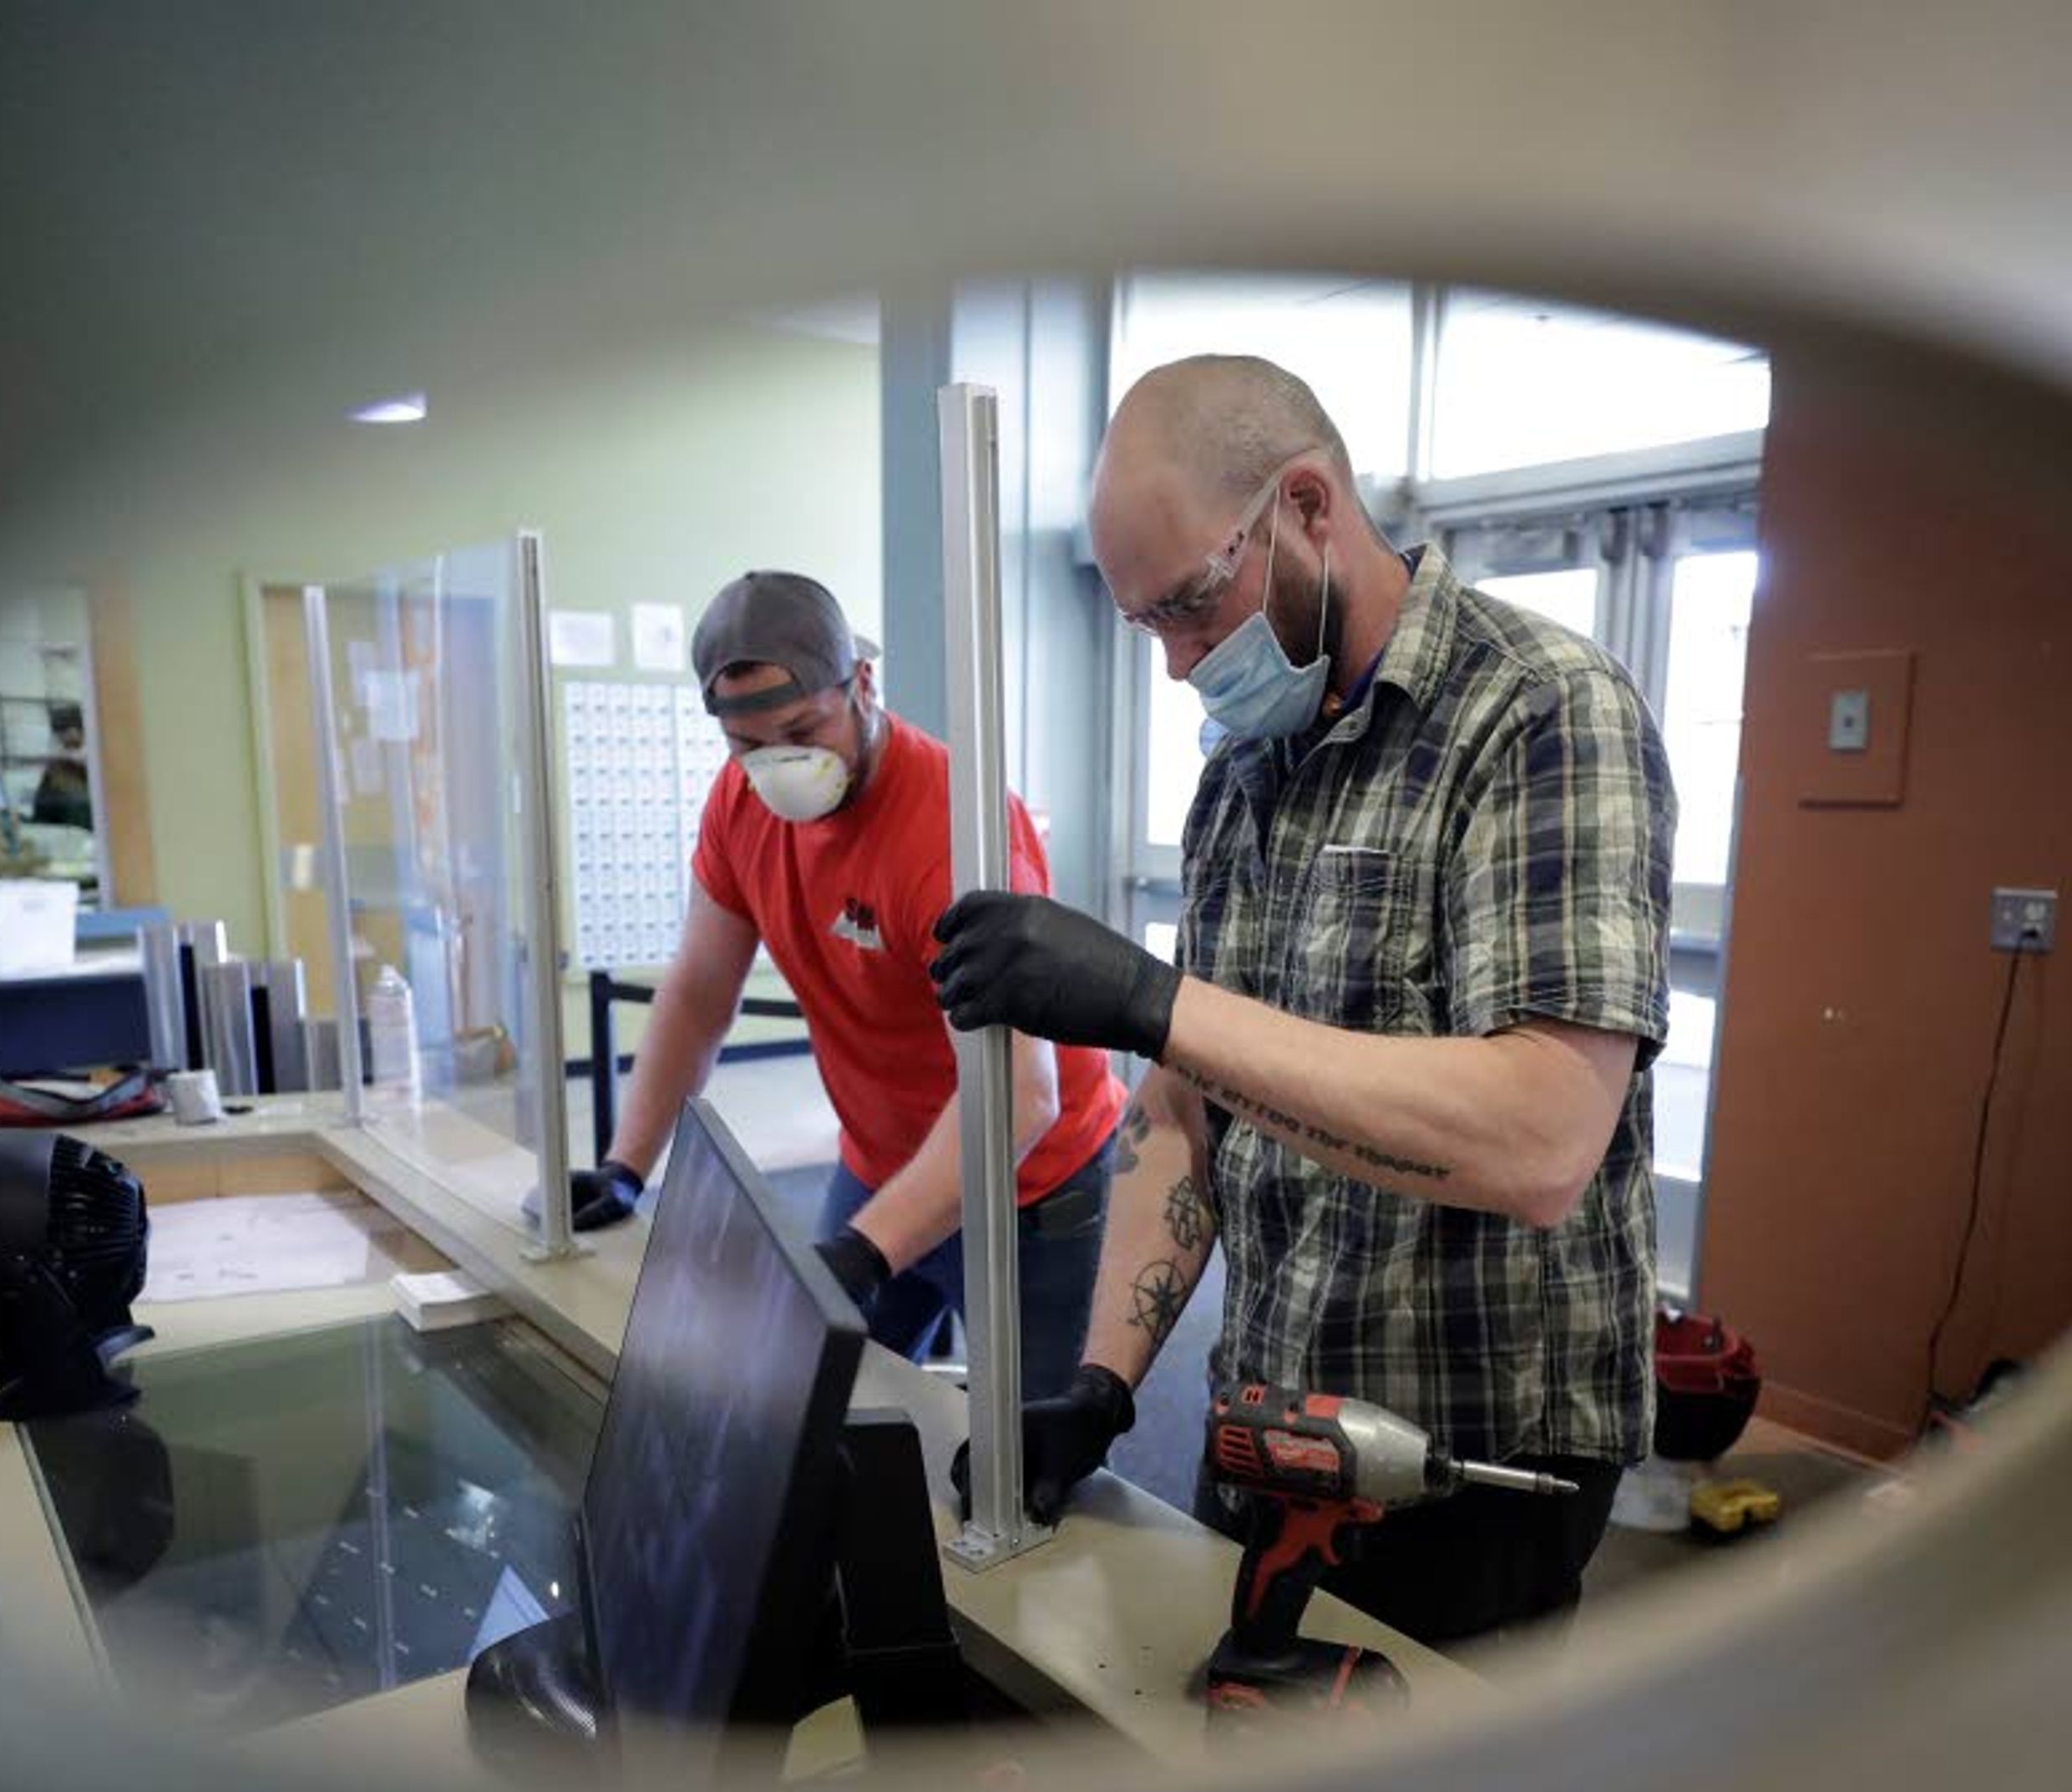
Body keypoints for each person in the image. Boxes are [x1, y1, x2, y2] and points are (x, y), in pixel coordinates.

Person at [931, 357, 1676, 1646]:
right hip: (1273, 1423)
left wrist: (1154, 1002)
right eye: (1144, 628)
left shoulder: (1540, 710)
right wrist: (1104, 1385)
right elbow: (1187, 1112)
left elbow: (1546, 1136)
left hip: (1471, 1459)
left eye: (1191, 609)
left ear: (1309, 507)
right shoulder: (1243, 780)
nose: (1176, 668)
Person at [540, 569, 1126, 1400]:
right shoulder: (739, 806)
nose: (781, 764)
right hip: (881, 1160)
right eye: (748, 746)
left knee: (1032, 1467)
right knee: (813, 1410)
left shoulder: (952, 834)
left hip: (1028, 1184)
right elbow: (701, 988)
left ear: (862, 683)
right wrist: (627, 1164)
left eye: (805, 728)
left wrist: (863, 1250)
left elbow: (1021, 1098)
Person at [28, 702, 94, 829]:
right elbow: (42, 813)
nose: (62, 741)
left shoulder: (98, 766)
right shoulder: (57, 768)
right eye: (59, 736)